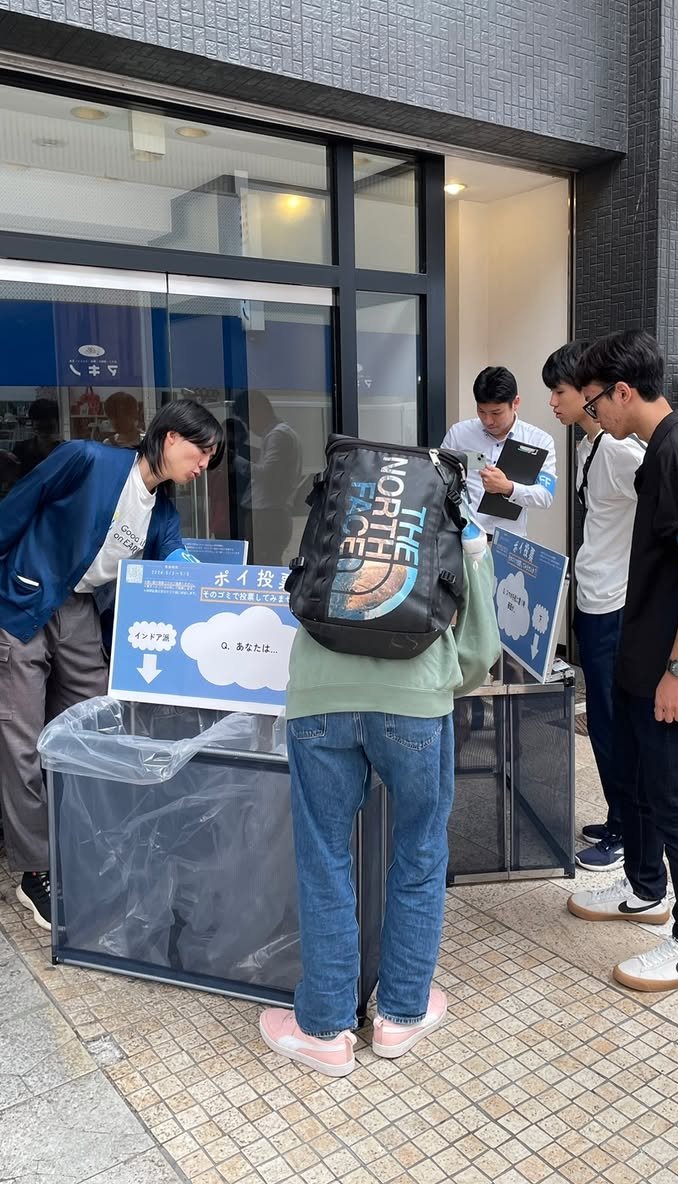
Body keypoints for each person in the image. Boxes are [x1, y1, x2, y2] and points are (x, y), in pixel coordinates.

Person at [258, 524, 501, 1075]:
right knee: (420, 851)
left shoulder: (336, 498)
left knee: (324, 857)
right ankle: (401, 1014)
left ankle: (323, 1029)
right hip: (415, 701)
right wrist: (437, 684)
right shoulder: (449, 512)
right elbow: (480, 649)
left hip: (319, 698)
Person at [0, 399, 224, 932]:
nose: (203, 467)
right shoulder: (86, 459)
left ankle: (81, 845)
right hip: (24, 600)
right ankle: (36, 868)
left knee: (92, 731)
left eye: (210, 460)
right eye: (200, 453)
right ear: (170, 438)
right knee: (21, 741)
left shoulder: (161, 510)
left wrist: (215, 584)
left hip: (79, 612)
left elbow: (174, 559)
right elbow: (14, 512)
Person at [567, 331, 678, 991]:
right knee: (641, 787)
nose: (594, 414)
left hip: (673, 672)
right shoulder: (658, 450)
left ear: (623, 391)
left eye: (596, 401)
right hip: (642, 659)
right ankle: (644, 888)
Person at [542, 342, 644, 872]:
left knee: (612, 722)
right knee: (603, 720)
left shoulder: (623, 452)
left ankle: (628, 830)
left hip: (615, 604)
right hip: (593, 597)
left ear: (588, 393)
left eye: (559, 392)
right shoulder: (590, 447)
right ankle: (617, 815)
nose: (553, 403)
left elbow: (665, 512)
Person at [442, 366, 557, 541]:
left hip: (507, 541)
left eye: (496, 413)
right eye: (481, 411)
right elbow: (440, 478)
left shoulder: (539, 441)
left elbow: (545, 496)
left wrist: (508, 488)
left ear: (515, 403)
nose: (488, 421)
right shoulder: (459, 434)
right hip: (461, 538)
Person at [234, 391, 302, 564]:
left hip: (268, 514)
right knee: (268, 562)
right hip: (273, 513)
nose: (249, 427)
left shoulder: (278, 435)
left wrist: (234, 460)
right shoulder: (282, 434)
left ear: (258, 411)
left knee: (262, 563)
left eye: (247, 419)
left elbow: (266, 473)